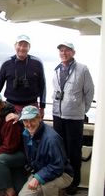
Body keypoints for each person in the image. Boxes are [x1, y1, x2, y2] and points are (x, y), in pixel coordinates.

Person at [52, 42, 94, 195]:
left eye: (67, 50)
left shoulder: (82, 69)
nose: (64, 53)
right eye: (61, 50)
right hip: (58, 115)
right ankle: (63, 180)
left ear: (73, 52)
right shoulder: (56, 69)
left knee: (74, 152)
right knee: (60, 150)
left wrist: (83, 111)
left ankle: (74, 182)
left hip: (75, 118)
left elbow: (89, 92)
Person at [18, 105, 73, 196]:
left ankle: (57, 191)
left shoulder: (51, 139)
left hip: (63, 174)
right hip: (40, 170)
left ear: (39, 118)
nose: (29, 124)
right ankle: (59, 192)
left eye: (32, 120)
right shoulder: (27, 133)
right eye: (25, 121)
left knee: (47, 184)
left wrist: (38, 178)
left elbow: (58, 166)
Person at [0, 34, 46, 117]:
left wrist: (42, 107)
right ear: (15, 46)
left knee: (31, 129)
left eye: (25, 46)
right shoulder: (6, 63)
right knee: (11, 129)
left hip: (32, 105)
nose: (22, 48)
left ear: (29, 47)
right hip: (11, 106)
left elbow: (43, 86)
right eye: (20, 45)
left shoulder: (37, 63)